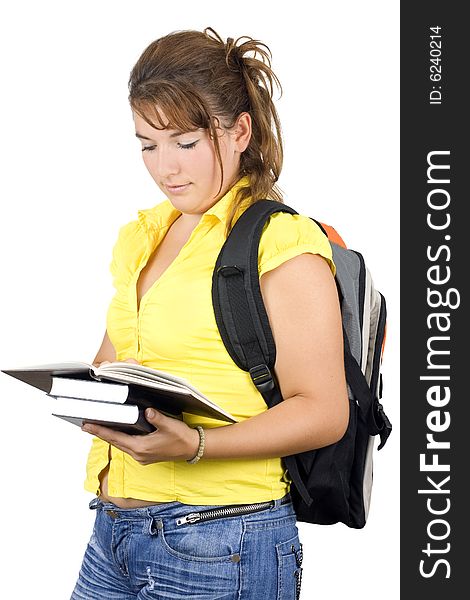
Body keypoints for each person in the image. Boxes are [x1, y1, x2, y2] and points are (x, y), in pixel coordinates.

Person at [71, 26, 349, 600]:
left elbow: (325, 411)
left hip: (223, 541)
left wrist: (196, 446)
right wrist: (82, 398)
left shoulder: (281, 242)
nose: (165, 167)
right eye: (148, 144)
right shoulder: (143, 236)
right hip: (112, 534)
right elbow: (115, 362)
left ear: (239, 130)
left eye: (186, 143)